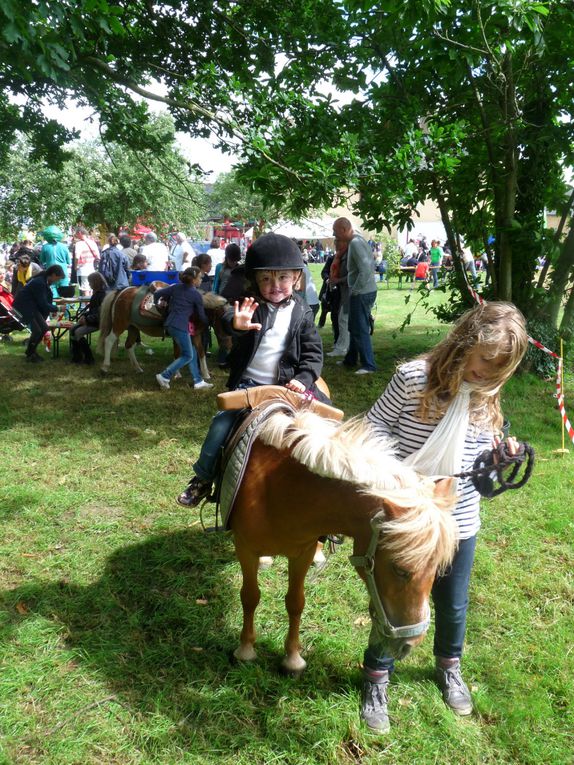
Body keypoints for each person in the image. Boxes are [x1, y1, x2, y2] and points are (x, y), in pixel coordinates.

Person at [360, 301, 528, 733]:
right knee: (398, 598)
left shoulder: (487, 397)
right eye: (483, 361)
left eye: (497, 370)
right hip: (409, 516)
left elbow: (480, 475)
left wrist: (499, 458)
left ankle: (449, 666)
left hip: (458, 519)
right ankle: (377, 675)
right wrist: (396, 473)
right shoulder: (413, 378)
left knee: (453, 604)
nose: (486, 374)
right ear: (464, 344)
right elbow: (374, 426)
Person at [176, 233, 325, 508]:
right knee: (220, 426)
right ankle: (202, 478)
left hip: (288, 387)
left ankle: (326, 493)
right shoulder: (251, 306)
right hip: (250, 386)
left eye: (282, 278)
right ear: (256, 281)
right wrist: (238, 325)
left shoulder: (302, 313)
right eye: (266, 279)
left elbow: (313, 352)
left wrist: (304, 378)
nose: (275, 286)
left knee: (326, 429)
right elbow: (234, 317)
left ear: (295, 278)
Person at [154, 266, 213, 391]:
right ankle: (165, 376)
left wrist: (157, 306)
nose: (201, 280)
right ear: (194, 280)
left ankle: (198, 381)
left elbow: (158, 293)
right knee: (188, 355)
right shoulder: (196, 295)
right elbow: (202, 316)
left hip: (170, 324)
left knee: (191, 351)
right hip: (180, 326)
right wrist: (207, 323)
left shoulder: (175, 287)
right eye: (200, 278)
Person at [332, 217, 377, 374]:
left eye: (335, 231)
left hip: (362, 292)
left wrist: (356, 290)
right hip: (362, 291)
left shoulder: (356, 243)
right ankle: (350, 360)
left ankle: (369, 365)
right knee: (353, 326)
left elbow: (365, 270)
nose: (334, 234)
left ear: (344, 229)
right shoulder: (355, 242)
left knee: (360, 329)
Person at [13, 265, 65, 363]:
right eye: (57, 279)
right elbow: (43, 304)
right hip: (23, 306)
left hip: (30, 306)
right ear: (53, 275)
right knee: (37, 330)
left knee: (44, 328)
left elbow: (44, 302)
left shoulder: (43, 281)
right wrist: (58, 308)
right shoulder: (40, 283)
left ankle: (31, 352)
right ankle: (30, 353)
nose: (56, 281)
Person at [70, 272, 108, 364]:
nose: (89, 284)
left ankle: (89, 358)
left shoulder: (102, 295)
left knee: (78, 332)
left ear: (95, 282)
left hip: (98, 322)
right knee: (72, 329)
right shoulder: (97, 294)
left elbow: (100, 314)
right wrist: (84, 316)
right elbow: (93, 310)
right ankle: (77, 356)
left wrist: (87, 319)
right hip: (93, 320)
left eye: (90, 282)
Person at [39, 226, 71, 297]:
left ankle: (54, 306)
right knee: (64, 292)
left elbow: (42, 260)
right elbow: (68, 261)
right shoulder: (64, 246)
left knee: (52, 291)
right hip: (63, 272)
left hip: (51, 273)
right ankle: (65, 307)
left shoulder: (45, 247)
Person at [73, 227, 100, 295]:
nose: (76, 236)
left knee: (85, 289)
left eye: (76, 234)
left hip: (82, 269)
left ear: (79, 233)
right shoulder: (92, 242)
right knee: (91, 287)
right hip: (91, 268)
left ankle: (87, 304)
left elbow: (77, 256)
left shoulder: (79, 244)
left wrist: (75, 266)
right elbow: (98, 256)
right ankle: (92, 303)